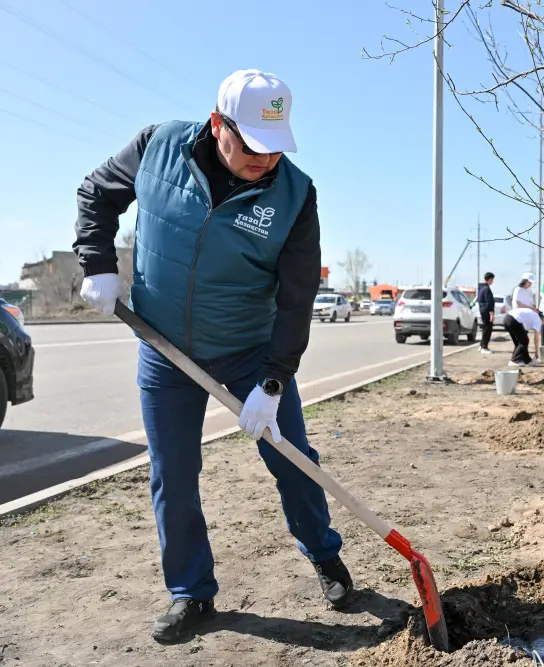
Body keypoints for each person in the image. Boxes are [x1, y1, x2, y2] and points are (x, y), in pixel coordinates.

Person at [72, 70, 352, 642]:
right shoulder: (156, 148)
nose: (266, 160)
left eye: (276, 147)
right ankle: (191, 594)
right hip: (164, 348)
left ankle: (325, 558)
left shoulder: (295, 195)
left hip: (249, 350)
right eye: (253, 145)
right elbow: (96, 193)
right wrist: (95, 261)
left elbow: (298, 296)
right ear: (218, 124)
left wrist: (274, 381)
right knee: (173, 474)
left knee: (292, 458)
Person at [477, 272, 496, 355]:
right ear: (490, 279)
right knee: (488, 329)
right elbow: (489, 302)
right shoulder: (487, 289)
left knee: (485, 328)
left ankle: (482, 345)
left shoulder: (481, 288)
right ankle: (484, 347)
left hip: (482, 310)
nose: (493, 281)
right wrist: (491, 313)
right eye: (492, 279)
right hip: (487, 311)